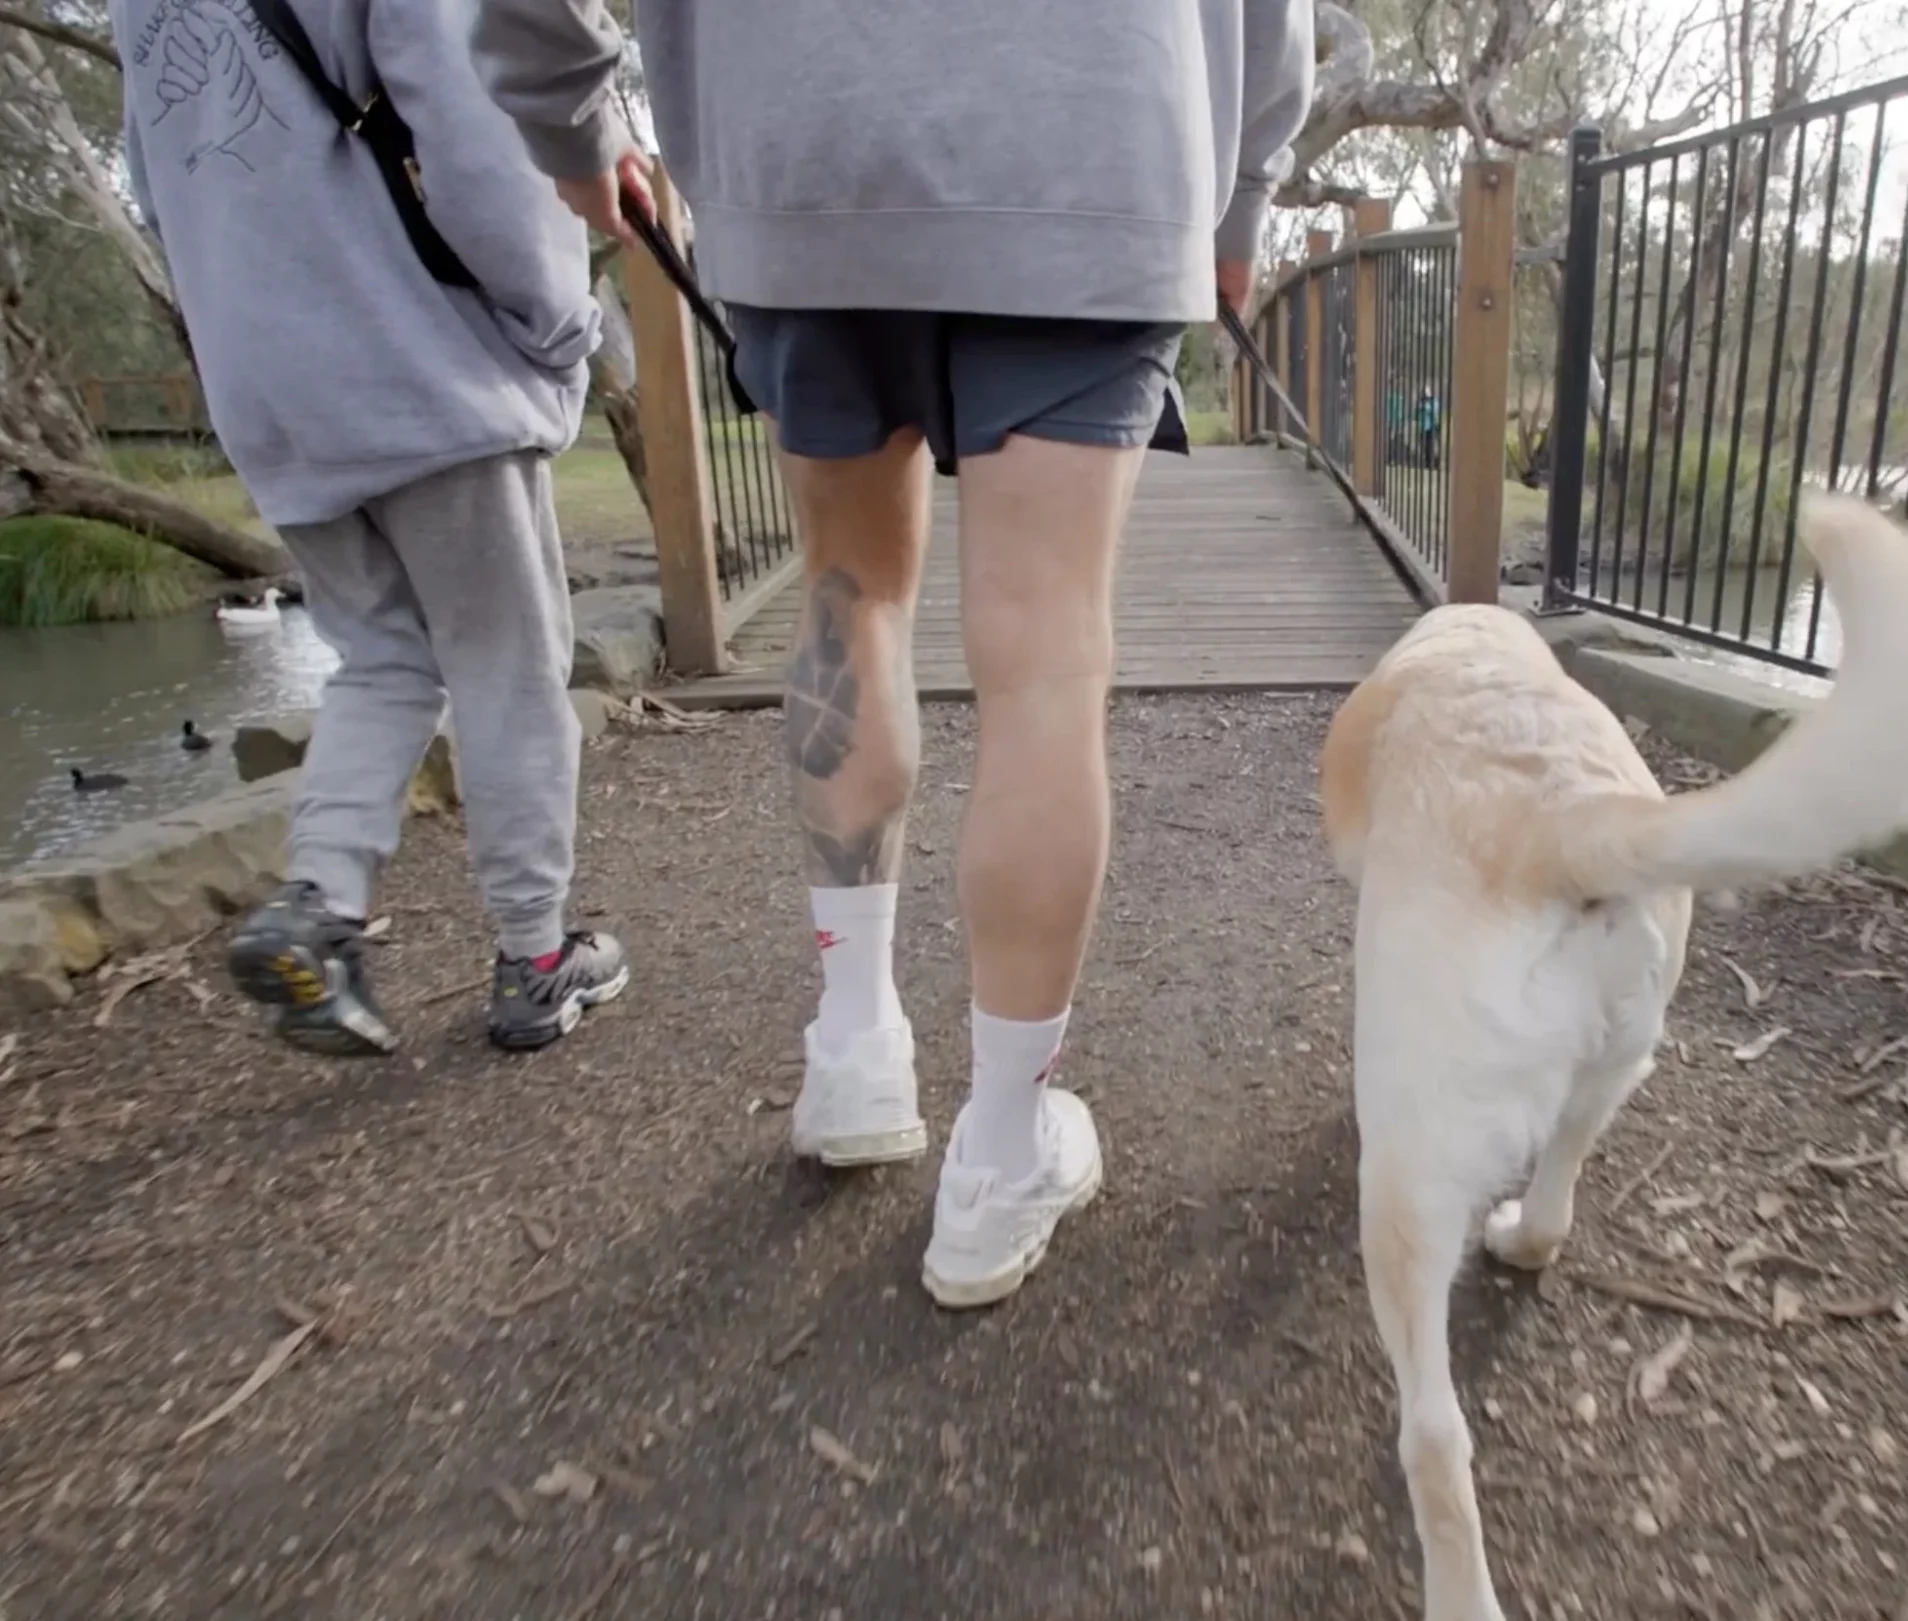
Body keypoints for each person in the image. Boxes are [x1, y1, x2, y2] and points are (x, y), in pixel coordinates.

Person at [470, 0, 1315, 1306]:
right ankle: (996, 1154)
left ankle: (854, 1046)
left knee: (844, 596)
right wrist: (1241, 193)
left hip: (805, 150)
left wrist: (565, 109)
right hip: (1091, 143)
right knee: (1043, 662)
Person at [112, 0, 628, 1056]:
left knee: (381, 655)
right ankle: (535, 955)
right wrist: (561, 316)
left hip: (269, 385)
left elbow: (154, 185)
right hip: (414, 356)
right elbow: (471, 121)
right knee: (508, 665)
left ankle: (318, 904)